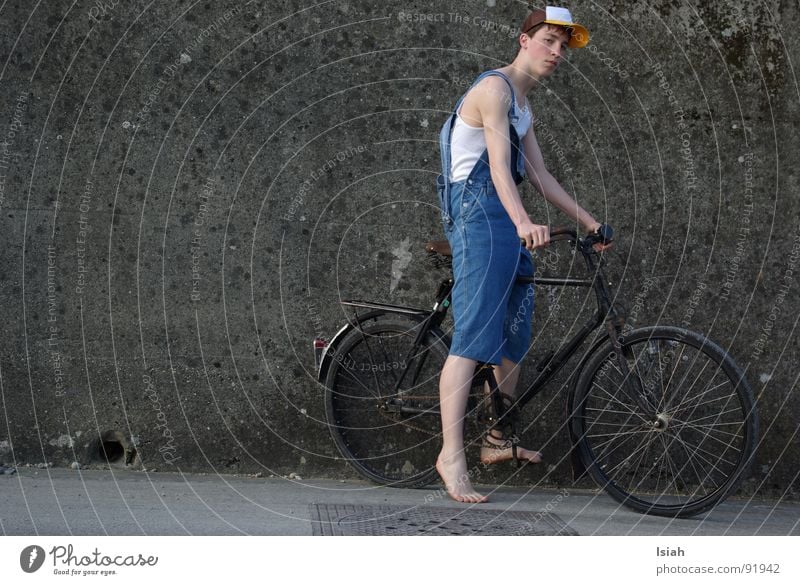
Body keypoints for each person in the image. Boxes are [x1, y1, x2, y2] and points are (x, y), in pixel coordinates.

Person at [435, 6, 611, 503]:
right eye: (550, 41)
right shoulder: (493, 91)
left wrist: (590, 221)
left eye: (564, 46)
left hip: (502, 217)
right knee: (471, 336)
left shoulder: (523, 106)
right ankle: (451, 457)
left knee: (514, 332)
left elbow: (538, 176)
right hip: (477, 217)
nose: (557, 53)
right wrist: (522, 223)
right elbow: (495, 169)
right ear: (524, 39)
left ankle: (498, 436)